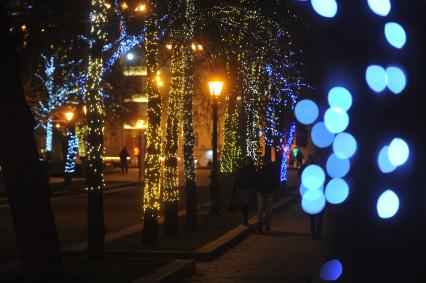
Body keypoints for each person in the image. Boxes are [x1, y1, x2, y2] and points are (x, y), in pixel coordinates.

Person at [298, 154, 323, 240]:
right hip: (315, 195)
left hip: (316, 195)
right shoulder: (312, 168)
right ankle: (316, 234)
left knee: (315, 216)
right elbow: (300, 175)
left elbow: (300, 175)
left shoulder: (311, 169)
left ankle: (316, 234)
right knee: (316, 216)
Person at [257, 157, 280, 231]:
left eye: (266, 161)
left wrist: (274, 189)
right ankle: (260, 224)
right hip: (261, 191)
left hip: (270, 191)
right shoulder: (260, 170)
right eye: (264, 161)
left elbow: (276, 181)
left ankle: (267, 224)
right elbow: (256, 180)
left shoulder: (272, 170)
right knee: (261, 209)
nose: (265, 162)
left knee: (269, 210)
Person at [233, 156, 256, 225]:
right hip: (241, 189)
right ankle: (245, 216)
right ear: (244, 162)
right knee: (242, 204)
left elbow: (254, 180)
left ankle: (245, 218)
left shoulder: (252, 170)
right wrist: (235, 187)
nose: (247, 162)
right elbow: (237, 179)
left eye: (249, 161)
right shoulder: (240, 170)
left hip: (249, 189)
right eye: (246, 161)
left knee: (247, 204)